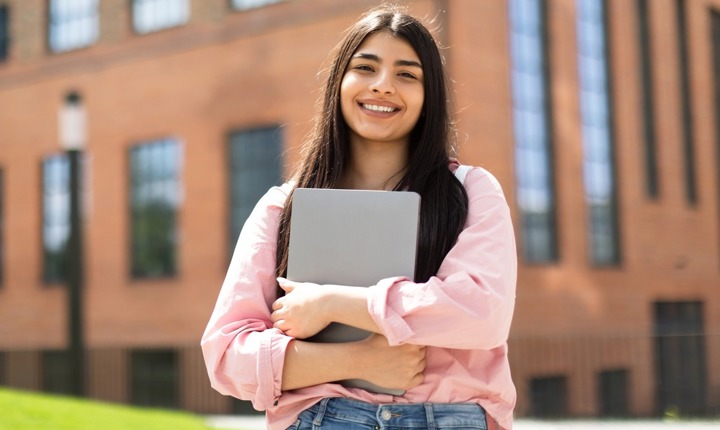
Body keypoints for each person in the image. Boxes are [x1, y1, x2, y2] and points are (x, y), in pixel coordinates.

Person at [201, 5, 517, 430]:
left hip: (447, 417)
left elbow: (483, 314)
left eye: (407, 74)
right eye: (365, 68)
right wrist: (357, 358)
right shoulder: (283, 207)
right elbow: (225, 358)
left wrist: (332, 303)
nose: (383, 86)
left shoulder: (471, 191)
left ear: (429, 96)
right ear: (339, 83)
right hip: (322, 418)